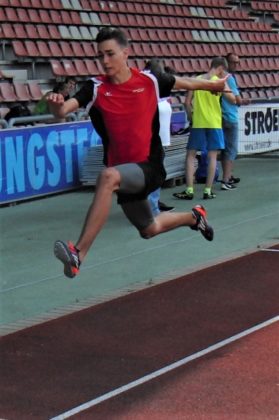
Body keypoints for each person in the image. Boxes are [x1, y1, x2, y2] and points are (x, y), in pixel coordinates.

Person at [47, 28, 229, 278]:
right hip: (125, 175)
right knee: (149, 228)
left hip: (149, 166)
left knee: (108, 177)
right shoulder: (96, 87)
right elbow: (63, 110)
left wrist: (214, 85)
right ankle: (194, 217)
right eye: (100, 56)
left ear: (125, 53)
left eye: (110, 54)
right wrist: (55, 105)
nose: (105, 61)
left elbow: (185, 82)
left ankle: (79, 253)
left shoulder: (150, 81)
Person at [173, 57, 236, 200]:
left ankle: (189, 189)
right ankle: (208, 190)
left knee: (190, 155)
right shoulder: (219, 82)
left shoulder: (197, 79)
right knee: (212, 156)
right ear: (220, 68)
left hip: (199, 122)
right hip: (214, 122)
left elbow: (187, 102)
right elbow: (232, 99)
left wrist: (191, 117)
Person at [145, 58, 174, 214]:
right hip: (151, 137)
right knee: (154, 171)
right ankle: (151, 206)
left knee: (156, 171)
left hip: (159, 137)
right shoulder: (149, 86)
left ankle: (153, 202)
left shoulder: (157, 87)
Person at [220, 53, 250, 189]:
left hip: (221, 116)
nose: (236, 65)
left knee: (225, 149)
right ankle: (226, 179)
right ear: (227, 62)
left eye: (238, 62)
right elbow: (235, 99)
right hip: (230, 117)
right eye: (234, 62)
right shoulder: (229, 78)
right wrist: (242, 101)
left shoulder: (220, 77)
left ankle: (228, 175)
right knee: (231, 149)